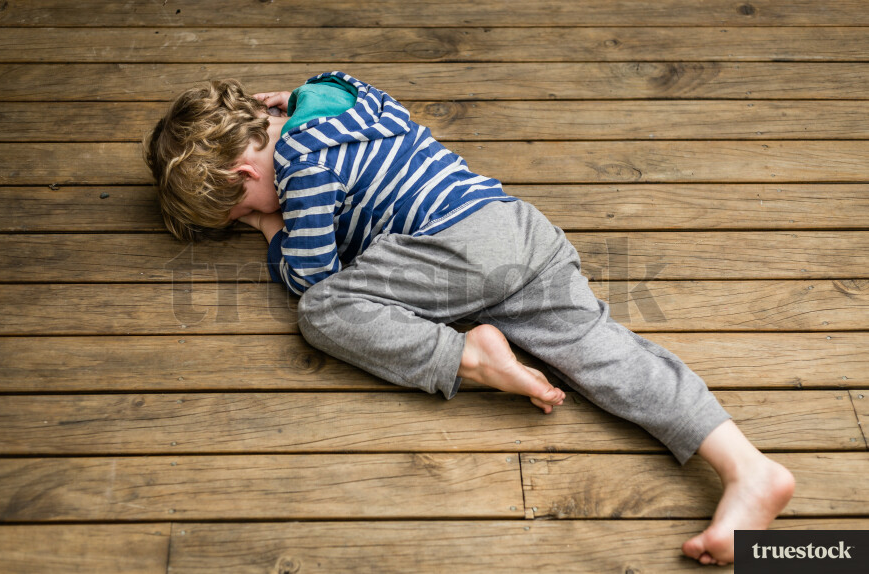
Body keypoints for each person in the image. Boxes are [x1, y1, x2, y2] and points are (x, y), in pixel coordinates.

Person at [144, 71, 795, 565]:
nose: (258, 213)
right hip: (523, 235)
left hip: (455, 248)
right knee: (608, 353)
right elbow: (337, 79)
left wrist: (270, 231)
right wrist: (292, 99)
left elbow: (311, 273)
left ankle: (470, 357)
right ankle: (746, 467)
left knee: (323, 311)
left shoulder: (299, 168)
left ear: (244, 171)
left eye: (243, 208)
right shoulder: (343, 99)